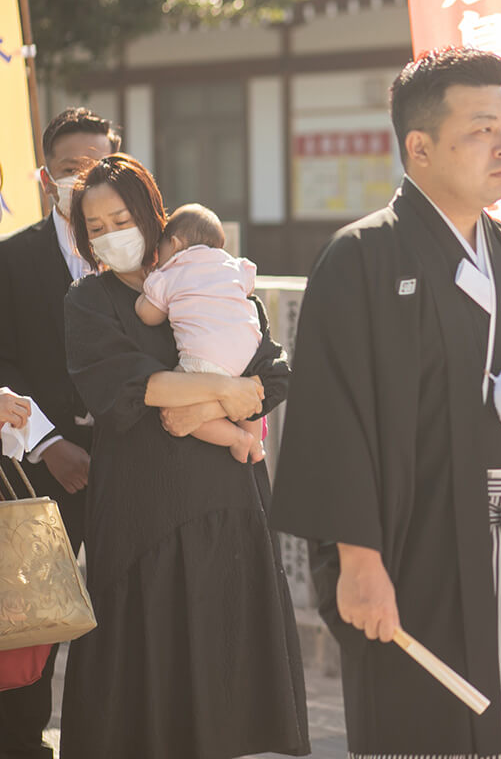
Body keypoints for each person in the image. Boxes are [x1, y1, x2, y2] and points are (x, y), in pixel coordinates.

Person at [270, 47, 501, 758]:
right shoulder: (361, 260)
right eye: (480, 130)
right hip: (420, 551)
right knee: (431, 722)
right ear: (420, 147)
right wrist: (358, 562)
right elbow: (334, 423)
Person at [60, 153, 309, 758]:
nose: (111, 234)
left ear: (151, 213)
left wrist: (204, 403)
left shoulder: (210, 274)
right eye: (95, 228)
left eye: (120, 217)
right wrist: (224, 391)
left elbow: (272, 377)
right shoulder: (89, 301)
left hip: (227, 503)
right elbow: (134, 387)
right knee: (142, 677)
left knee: (224, 665)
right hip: (141, 513)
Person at [0, 107, 116, 758]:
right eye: (70, 168)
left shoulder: (140, 256)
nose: (83, 179)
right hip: (34, 478)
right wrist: (49, 442)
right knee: (28, 630)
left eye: (96, 167)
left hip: (129, 472)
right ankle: (24, 743)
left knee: (123, 622)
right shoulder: (11, 259)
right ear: (47, 177)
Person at [136, 203, 265, 463]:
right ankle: (258, 442)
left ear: (173, 243)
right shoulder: (231, 264)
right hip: (248, 348)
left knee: (177, 409)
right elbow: (248, 286)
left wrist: (146, 289)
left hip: (205, 358)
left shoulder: (171, 272)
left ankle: (239, 439)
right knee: (250, 389)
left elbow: (148, 316)